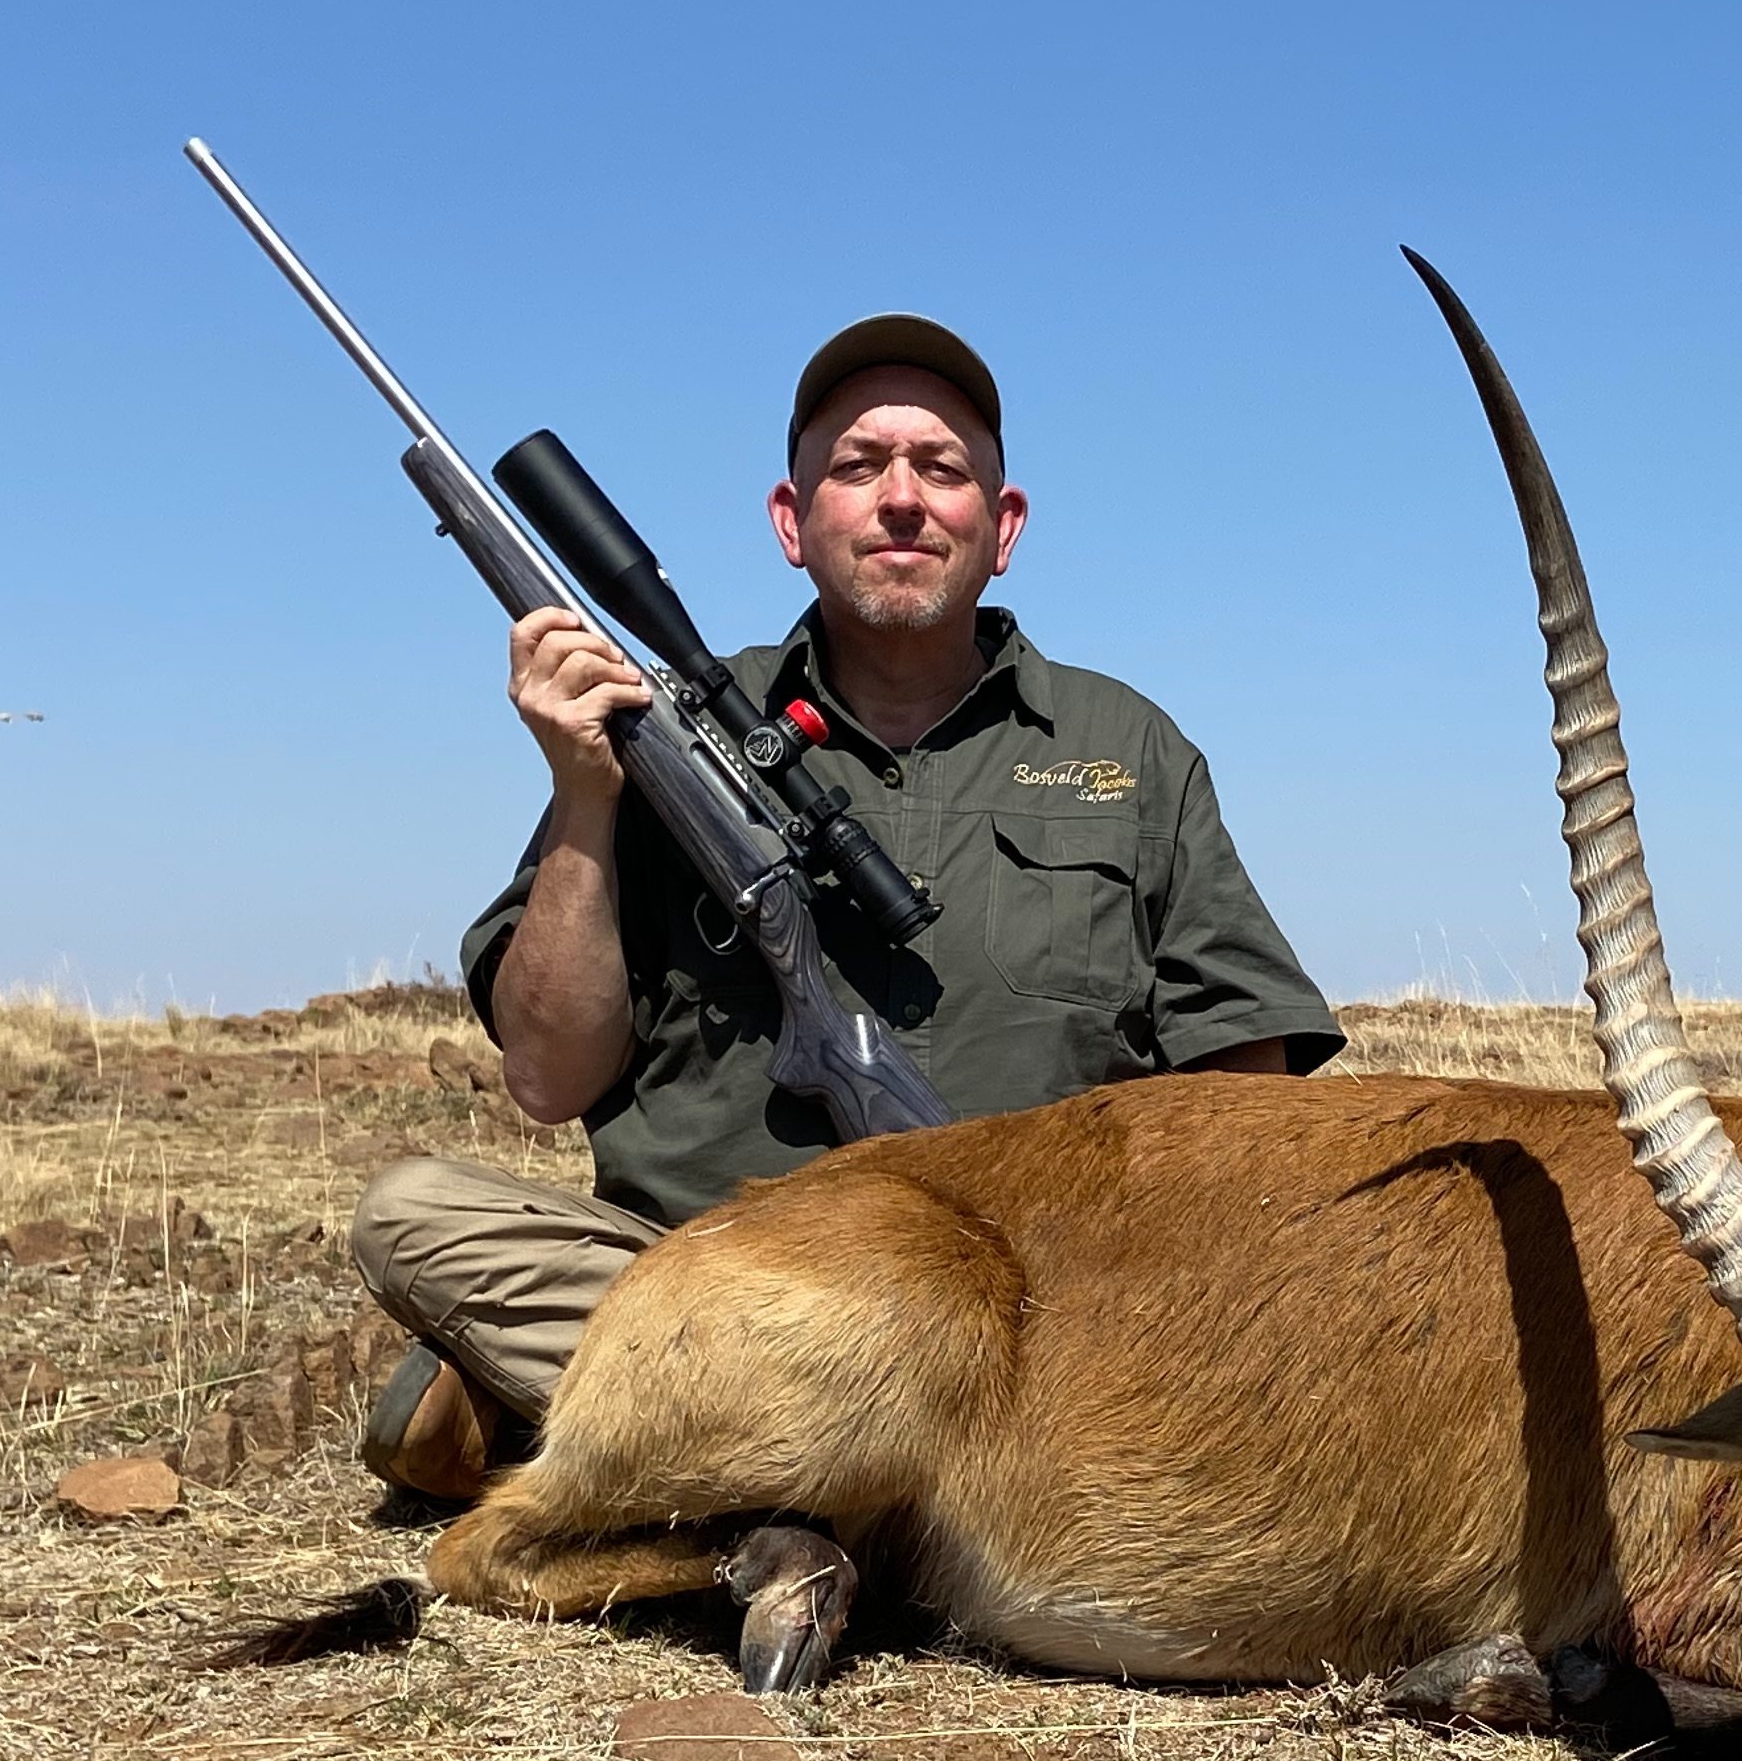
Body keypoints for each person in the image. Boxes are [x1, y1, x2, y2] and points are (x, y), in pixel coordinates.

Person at [348, 313, 1342, 1500]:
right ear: (792, 520)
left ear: (1003, 526)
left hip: (1026, 1323)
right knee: (413, 1213)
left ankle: (674, 1470)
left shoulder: (1125, 746)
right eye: (858, 467)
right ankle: (869, 1493)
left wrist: (1164, 1303)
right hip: (711, 1290)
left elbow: (1250, 1074)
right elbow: (548, 1079)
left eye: (943, 469)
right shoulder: (647, 732)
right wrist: (582, 796)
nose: (902, 500)